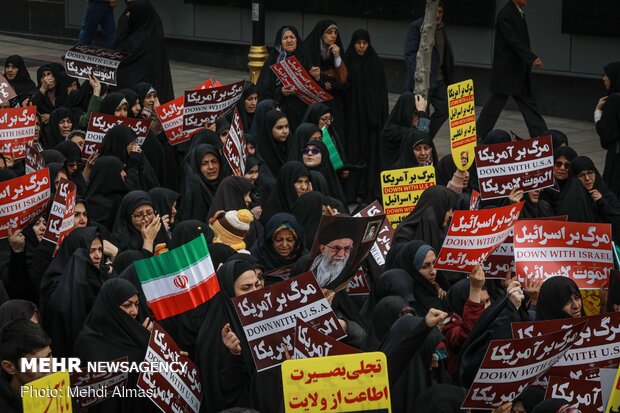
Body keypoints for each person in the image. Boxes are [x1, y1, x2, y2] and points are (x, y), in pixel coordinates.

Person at [73, 278, 156, 413]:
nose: (134, 311)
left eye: (136, 304)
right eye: (127, 305)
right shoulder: (89, 344)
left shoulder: (136, 330)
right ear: (110, 306)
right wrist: (143, 345)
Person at [476, 0, 548, 140]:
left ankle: (542, 136)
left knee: (526, 104)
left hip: (517, 71)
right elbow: (513, 41)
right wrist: (531, 58)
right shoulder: (506, 14)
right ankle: (479, 134)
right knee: (496, 103)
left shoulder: (516, 12)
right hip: (508, 72)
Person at [344, 29, 389, 202]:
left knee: (371, 155)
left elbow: (381, 94)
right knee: (354, 152)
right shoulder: (348, 61)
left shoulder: (375, 62)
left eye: (365, 43)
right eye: (358, 43)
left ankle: (368, 190)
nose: (361, 47)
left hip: (372, 121)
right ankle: (354, 191)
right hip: (354, 119)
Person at [404, 1, 454, 139]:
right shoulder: (417, 27)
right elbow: (410, 54)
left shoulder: (441, 29)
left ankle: (425, 138)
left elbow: (445, 55)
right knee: (421, 115)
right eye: (435, 11)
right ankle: (420, 142)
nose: (437, 15)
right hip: (422, 80)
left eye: (440, 12)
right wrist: (418, 77)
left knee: (445, 109)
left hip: (439, 80)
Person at [113, 0, 174, 103]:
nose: (128, 15)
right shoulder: (151, 31)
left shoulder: (137, 40)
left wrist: (123, 23)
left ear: (138, 14)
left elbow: (118, 53)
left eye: (130, 13)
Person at [256, 26, 309, 132]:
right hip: (279, 111)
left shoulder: (305, 59)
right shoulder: (272, 61)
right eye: (285, 38)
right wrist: (280, 91)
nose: (289, 41)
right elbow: (263, 90)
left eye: (292, 37)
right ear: (280, 42)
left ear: (297, 40)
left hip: (301, 112)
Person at [0, 320, 52, 413]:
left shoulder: (60, 386)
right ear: (9, 367)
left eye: (49, 356)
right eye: (36, 362)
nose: (47, 367)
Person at [596, 61, 620, 195]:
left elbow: (605, 134)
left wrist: (597, 112)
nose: (604, 78)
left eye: (607, 75)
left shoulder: (613, 101)